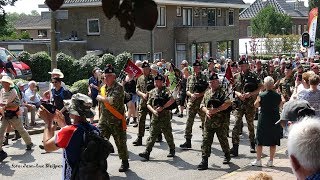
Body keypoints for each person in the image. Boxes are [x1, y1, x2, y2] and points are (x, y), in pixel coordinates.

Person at [39, 93, 105, 180]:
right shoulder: (94, 129)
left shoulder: (69, 131)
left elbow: (47, 146)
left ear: (74, 111)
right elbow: (73, 139)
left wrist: (48, 122)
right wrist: (63, 124)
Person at [97, 64, 129, 172]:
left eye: (109, 76)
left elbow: (111, 100)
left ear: (114, 77)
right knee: (100, 142)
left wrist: (100, 98)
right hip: (103, 121)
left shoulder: (119, 87)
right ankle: (100, 163)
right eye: (105, 76)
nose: (106, 78)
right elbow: (101, 105)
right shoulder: (102, 88)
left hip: (116, 121)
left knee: (120, 143)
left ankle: (124, 162)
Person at [197, 73, 232, 170]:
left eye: (214, 82)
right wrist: (207, 111)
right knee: (206, 141)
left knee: (223, 140)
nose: (212, 83)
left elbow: (228, 103)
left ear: (218, 82)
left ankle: (227, 154)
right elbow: (202, 105)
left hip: (220, 122)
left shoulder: (223, 92)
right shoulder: (207, 92)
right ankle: (204, 161)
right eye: (211, 82)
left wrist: (216, 110)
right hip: (208, 121)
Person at [138, 74, 176, 160]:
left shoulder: (167, 91)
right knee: (152, 134)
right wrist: (153, 111)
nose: (157, 83)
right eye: (156, 81)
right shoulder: (152, 92)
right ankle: (147, 152)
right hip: (155, 117)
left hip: (165, 116)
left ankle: (172, 149)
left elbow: (172, 100)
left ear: (162, 82)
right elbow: (148, 104)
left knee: (168, 134)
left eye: (159, 81)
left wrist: (163, 107)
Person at [230, 57, 262, 156]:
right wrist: (239, 94)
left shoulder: (253, 76)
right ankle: (235, 148)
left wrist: (251, 94)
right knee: (236, 125)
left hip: (250, 104)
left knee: (250, 125)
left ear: (248, 66)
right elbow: (232, 89)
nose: (242, 67)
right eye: (241, 66)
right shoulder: (236, 76)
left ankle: (252, 144)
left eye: (244, 65)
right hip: (239, 104)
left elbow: (261, 87)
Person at [251, 76, 284, 167]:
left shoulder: (261, 95)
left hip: (264, 118)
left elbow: (256, 105)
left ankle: (258, 160)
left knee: (260, 140)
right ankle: (271, 161)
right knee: (273, 141)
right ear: (273, 85)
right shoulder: (278, 95)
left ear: (265, 85)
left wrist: (258, 98)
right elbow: (281, 105)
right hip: (274, 119)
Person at [0, 76, 33, 162]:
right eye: (2, 82)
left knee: (21, 130)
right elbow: (1, 103)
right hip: (5, 115)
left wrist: (7, 105)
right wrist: (3, 108)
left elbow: (17, 104)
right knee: (0, 131)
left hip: (14, 115)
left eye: (4, 82)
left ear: (8, 83)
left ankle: (29, 143)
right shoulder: (2, 92)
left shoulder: (13, 92)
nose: (2, 84)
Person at [180, 60, 208, 149]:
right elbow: (187, 90)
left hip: (201, 103)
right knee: (189, 122)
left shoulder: (204, 77)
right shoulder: (190, 78)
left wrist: (200, 94)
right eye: (194, 67)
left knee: (204, 122)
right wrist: (191, 94)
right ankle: (188, 141)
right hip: (192, 103)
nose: (196, 69)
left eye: (197, 67)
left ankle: (205, 141)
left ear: (200, 68)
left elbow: (208, 90)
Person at [132, 61, 154, 146]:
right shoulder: (140, 78)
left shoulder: (153, 78)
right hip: (143, 102)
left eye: (147, 69)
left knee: (154, 120)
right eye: (144, 69)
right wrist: (142, 94)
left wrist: (149, 94)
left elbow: (158, 88)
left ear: (149, 70)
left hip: (152, 103)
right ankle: (140, 138)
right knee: (141, 120)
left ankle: (156, 135)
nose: (145, 70)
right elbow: (137, 90)